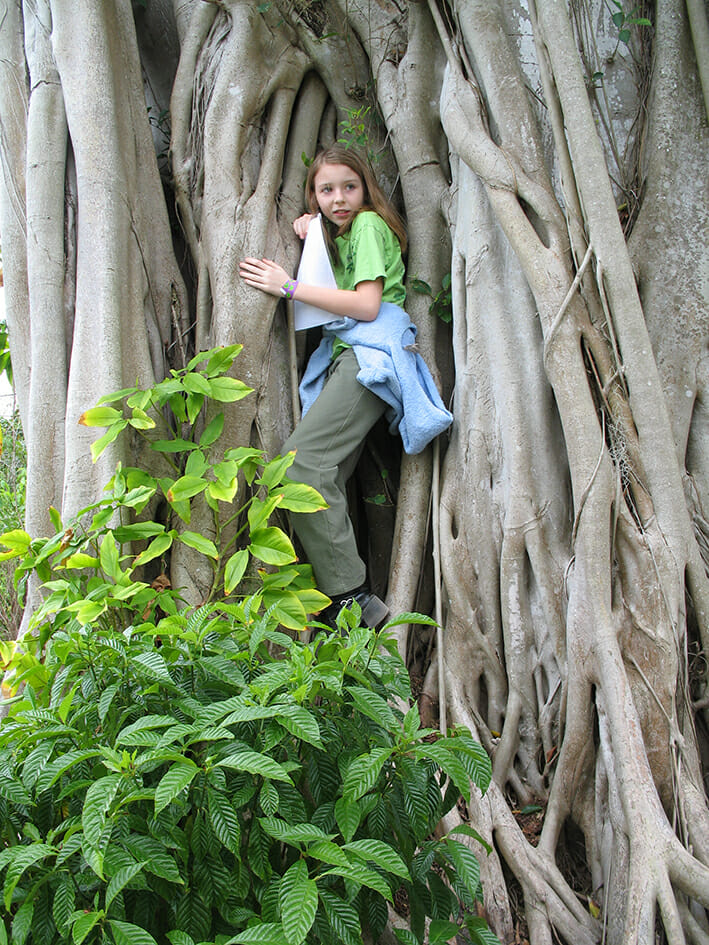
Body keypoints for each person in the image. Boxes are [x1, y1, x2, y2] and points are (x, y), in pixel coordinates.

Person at [239, 145, 452, 628]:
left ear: (367, 188)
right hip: (349, 361)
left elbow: (366, 305)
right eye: (326, 190)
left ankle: (353, 598)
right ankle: (345, 596)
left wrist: (286, 285)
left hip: (367, 359)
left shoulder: (372, 226)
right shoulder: (344, 233)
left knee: (301, 471)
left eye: (349, 187)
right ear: (313, 195)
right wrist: (311, 230)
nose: (340, 198)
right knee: (322, 476)